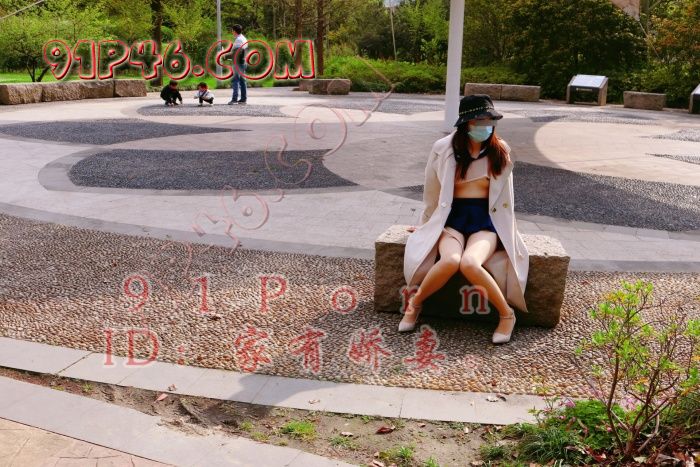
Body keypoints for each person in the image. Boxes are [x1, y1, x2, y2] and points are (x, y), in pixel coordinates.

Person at [401, 94, 529, 345]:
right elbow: (432, 193)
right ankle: (415, 305)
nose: (485, 126)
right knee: (451, 261)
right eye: (479, 121)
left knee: (470, 263)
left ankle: (506, 315)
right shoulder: (443, 149)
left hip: (485, 222)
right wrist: (426, 226)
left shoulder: (500, 150)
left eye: (489, 121)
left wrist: (510, 232)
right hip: (452, 220)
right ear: (465, 123)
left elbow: (506, 200)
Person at [228, 24, 248, 105]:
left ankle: (234, 99)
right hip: (243, 62)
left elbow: (237, 53)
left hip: (238, 63)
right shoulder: (243, 38)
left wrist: (225, 56)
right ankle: (243, 99)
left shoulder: (239, 40)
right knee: (242, 81)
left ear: (234, 31)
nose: (232, 32)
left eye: (232, 30)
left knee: (236, 80)